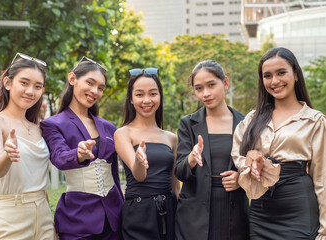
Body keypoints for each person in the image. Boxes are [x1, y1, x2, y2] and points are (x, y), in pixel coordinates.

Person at [231, 47, 326, 239]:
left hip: (299, 210)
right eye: (267, 75)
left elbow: (322, 179)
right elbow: (237, 154)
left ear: (296, 75)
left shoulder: (315, 121)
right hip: (261, 212)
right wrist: (250, 166)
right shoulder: (252, 119)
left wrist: (324, 231)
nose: (274, 81)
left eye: (281, 73)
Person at [41, 56, 123, 239]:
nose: (95, 91)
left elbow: (115, 174)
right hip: (76, 220)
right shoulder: (52, 124)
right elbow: (59, 157)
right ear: (72, 79)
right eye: (90, 83)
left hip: (114, 218)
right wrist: (78, 154)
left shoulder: (109, 127)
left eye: (100, 88)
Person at [0, 52, 55, 239]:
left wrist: (51, 226)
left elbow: (40, 182)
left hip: (43, 216)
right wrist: (7, 156)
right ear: (7, 83)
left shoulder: (38, 128)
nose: (31, 91)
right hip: (10, 217)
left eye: (38, 86)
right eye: (24, 83)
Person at [175, 60, 249, 240]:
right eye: (198, 88)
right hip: (195, 213)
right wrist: (192, 158)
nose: (205, 93)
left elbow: (255, 168)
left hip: (235, 211)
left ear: (225, 83)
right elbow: (179, 172)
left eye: (211, 85)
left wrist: (241, 179)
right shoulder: (188, 124)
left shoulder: (245, 123)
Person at [114, 68, 180, 240]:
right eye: (139, 94)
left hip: (168, 212)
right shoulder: (123, 133)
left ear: (160, 96)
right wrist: (139, 160)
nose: (147, 100)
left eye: (153, 93)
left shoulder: (171, 138)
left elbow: (175, 186)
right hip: (139, 214)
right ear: (131, 98)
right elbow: (139, 176)